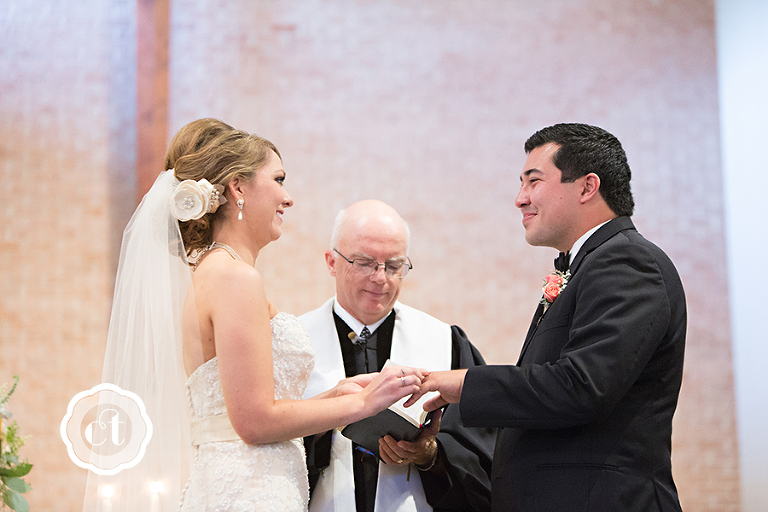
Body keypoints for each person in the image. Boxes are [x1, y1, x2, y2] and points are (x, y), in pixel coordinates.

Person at [83, 119, 426, 512]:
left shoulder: (215, 271)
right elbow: (255, 421)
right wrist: (364, 406)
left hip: (244, 483)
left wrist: (340, 393)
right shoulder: (234, 278)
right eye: (278, 178)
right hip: (249, 491)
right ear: (238, 187)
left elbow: (245, 407)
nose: (288, 197)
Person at [406, 123, 687, 512]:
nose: (520, 199)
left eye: (533, 181)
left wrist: (464, 384)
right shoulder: (589, 265)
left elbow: (582, 386)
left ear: (588, 187)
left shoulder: (626, 262)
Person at [300, 200, 495, 512]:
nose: (381, 278)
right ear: (331, 262)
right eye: (364, 263)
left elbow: (482, 451)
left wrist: (430, 455)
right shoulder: (294, 343)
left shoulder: (445, 342)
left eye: (393, 266)